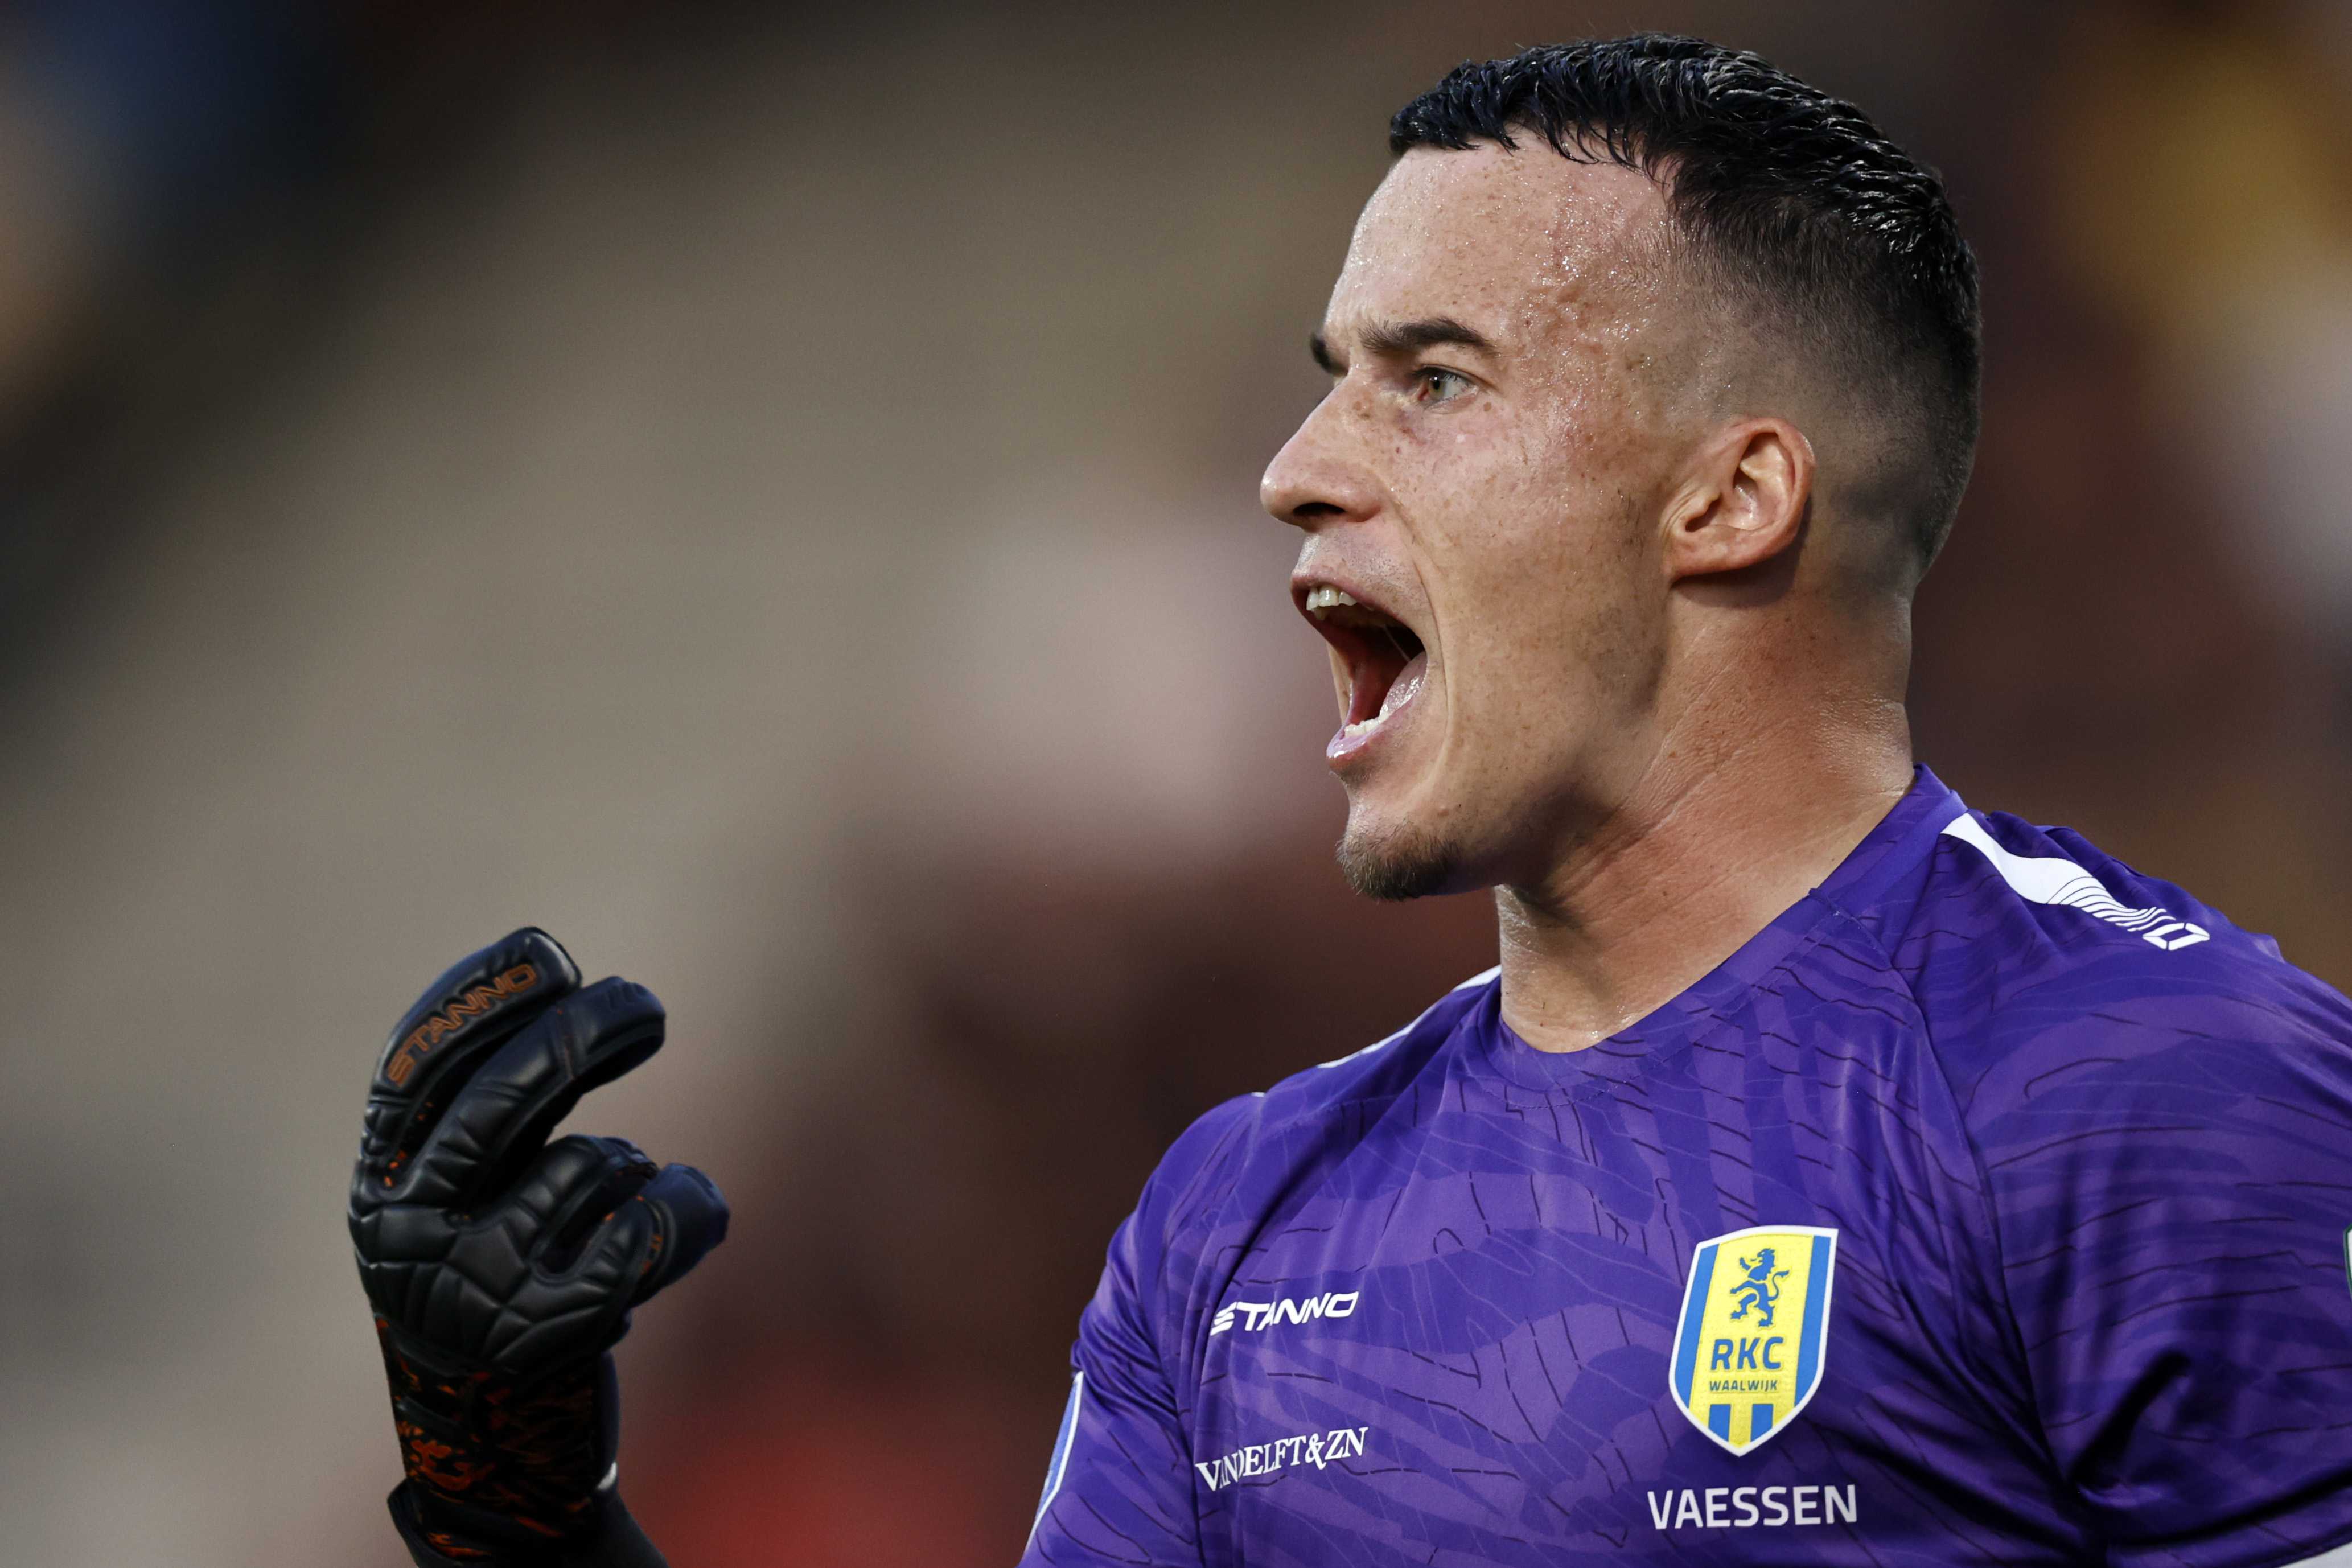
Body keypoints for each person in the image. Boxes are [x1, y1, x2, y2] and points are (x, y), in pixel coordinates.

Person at [352, 34, 2352, 1568]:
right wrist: (518, 1496)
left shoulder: (2150, 1086)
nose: (1296, 466)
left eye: (1434, 380)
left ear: (1729, 498)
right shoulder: (1235, 1218)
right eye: (1325, 377)